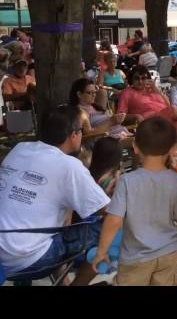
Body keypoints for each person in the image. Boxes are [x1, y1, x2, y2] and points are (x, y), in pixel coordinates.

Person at [0, 105, 110, 285]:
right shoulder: (69, 166)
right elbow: (108, 211)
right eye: (82, 130)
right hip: (25, 260)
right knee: (110, 228)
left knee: (57, 228)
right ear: (74, 135)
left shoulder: (19, 148)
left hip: (5, 251)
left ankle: (62, 280)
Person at [91, 117, 177, 286]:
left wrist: (102, 251)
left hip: (135, 257)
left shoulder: (126, 181)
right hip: (169, 253)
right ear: (171, 149)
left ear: (135, 147)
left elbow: (114, 220)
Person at [117, 65, 177, 153]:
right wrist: (135, 116)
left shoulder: (152, 90)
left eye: (143, 78)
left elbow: (167, 105)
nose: (140, 81)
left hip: (166, 119)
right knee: (173, 109)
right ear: (131, 79)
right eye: (136, 78)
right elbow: (120, 116)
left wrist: (156, 89)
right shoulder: (127, 92)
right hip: (150, 122)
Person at [69, 78, 132, 142]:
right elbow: (89, 134)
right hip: (112, 140)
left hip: (123, 134)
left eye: (95, 92)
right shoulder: (80, 111)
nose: (94, 95)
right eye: (90, 92)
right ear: (79, 94)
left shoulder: (95, 107)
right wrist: (111, 121)